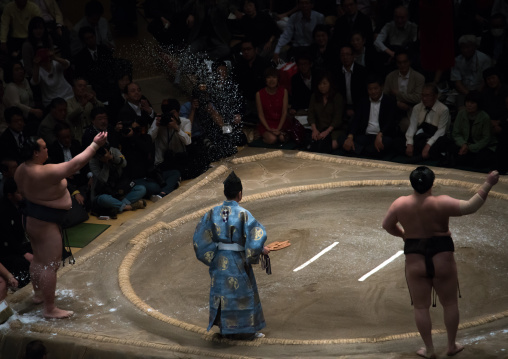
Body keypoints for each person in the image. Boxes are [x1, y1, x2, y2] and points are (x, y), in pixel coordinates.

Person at [382, 166, 500, 359]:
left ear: (412, 183)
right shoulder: (441, 202)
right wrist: (488, 183)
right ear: (432, 183)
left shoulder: (399, 204)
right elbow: (472, 206)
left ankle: (429, 350)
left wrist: (404, 235)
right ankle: (451, 346)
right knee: (450, 303)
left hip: (415, 258)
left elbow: (387, 225)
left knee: (421, 307)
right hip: (442, 257)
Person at [13, 132, 107, 318]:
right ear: (35, 153)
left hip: (31, 218)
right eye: (44, 148)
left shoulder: (21, 169)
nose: (47, 149)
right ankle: (50, 309)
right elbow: (75, 164)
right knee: (50, 264)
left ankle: (39, 295)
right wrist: (95, 145)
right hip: (44, 222)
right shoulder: (43, 172)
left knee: (39, 258)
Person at [193, 171, 269, 339]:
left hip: (220, 260)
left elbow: (199, 238)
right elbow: (255, 237)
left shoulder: (212, 213)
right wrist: (258, 251)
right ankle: (249, 329)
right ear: (239, 194)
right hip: (237, 260)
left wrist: (212, 256)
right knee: (243, 293)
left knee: (222, 293)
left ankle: (224, 328)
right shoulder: (243, 214)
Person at [341, 76, 397, 157]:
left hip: (381, 136)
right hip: (365, 136)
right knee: (343, 139)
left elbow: (391, 121)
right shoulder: (363, 101)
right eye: (370, 89)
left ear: (381, 87)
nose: (373, 92)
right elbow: (356, 120)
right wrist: (350, 137)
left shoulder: (389, 101)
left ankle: (359, 151)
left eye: (375, 88)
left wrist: (380, 134)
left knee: (388, 142)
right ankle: (367, 152)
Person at [405, 83, 450, 163]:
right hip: (422, 136)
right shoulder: (417, 107)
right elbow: (412, 126)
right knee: (398, 142)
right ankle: (423, 154)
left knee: (442, 142)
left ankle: (420, 157)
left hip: (435, 137)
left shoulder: (443, 109)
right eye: (422, 95)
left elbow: (441, 131)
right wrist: (409, 143)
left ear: (435, 96)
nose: (424, 99)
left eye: (428, 95)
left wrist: (428, 145)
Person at [307, 72, 345, 153]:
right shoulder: (314, 96)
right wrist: (314, 129)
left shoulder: (337, 97)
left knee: (330, 145)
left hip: (334, 129)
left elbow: (337, 118)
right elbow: (311, 114)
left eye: (324, 83)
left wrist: (327, 131)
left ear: (330, 84)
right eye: (320, 84)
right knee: (315, 144)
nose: (322, 86)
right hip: (318, 128)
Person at [256, 67, 290, 144]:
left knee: (282, 138)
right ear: (265, 80)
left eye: (274, 77)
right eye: (269, 77)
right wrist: (268, 128)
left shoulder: (284, 91)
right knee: (272, 139)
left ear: (278, 79)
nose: (272, 80)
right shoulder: (259, 94)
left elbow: (284, 112)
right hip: (266, 124)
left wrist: (279, 128)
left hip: (281, 122)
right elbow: (260, 115)